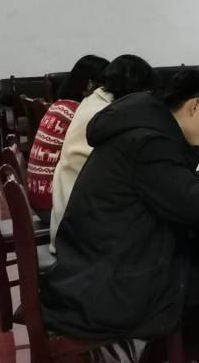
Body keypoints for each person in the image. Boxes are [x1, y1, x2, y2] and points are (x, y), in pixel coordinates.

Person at [41, 69, 199, 363]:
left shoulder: (141, 125)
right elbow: (192, 207)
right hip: (111, 280)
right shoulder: (149, 142)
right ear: (194, 106)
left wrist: (191, 186)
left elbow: (172, 187)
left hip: (93, 260)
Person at [50, 54, 155, 248]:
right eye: (146, 92)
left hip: (70, 217)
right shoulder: (108, 114)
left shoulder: (92, 101)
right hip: (78, 235)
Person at [27, 54, 109, 213]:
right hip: (52, 205)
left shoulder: (60, 105)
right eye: (105, 86)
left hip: (39, 197)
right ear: (90, 85)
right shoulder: (78, 114)